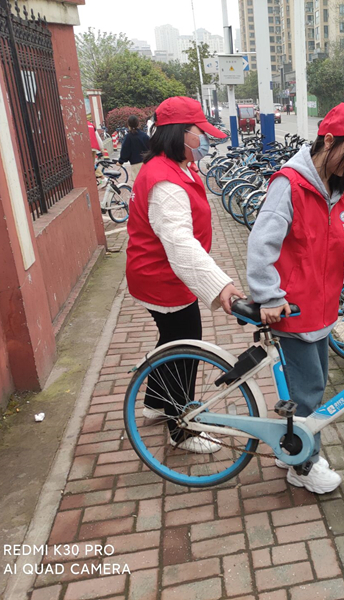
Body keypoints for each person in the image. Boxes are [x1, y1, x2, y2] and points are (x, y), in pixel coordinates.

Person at [246, 102, 344, 494]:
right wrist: (268, 296)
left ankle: (290, 448)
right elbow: (261, 244)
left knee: (314, 384)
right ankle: (302, 465)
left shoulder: (337, 190)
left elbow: (336, 239)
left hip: (322, 307)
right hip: (292, 309)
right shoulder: (289, 184)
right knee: (307, 391)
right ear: (328, 140)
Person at [126, 96, 245, 453]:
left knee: (171, 340)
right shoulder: (164, 180)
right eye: (198, 132)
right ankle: (182, 429)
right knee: (186, 345)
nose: (203, 139)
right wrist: (220, 285)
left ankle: (154, 403)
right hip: (162, 277)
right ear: (180, 133)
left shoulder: (176, 166)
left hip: (158, 273)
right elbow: (179, 243)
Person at [117, 115, 150, 180]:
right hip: (147, 163)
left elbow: (125, 151)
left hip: (136, 164)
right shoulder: (144, 136)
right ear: (138, 124)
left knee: (138, 185)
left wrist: (121, 161)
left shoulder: (128, 137)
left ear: (128, 124)